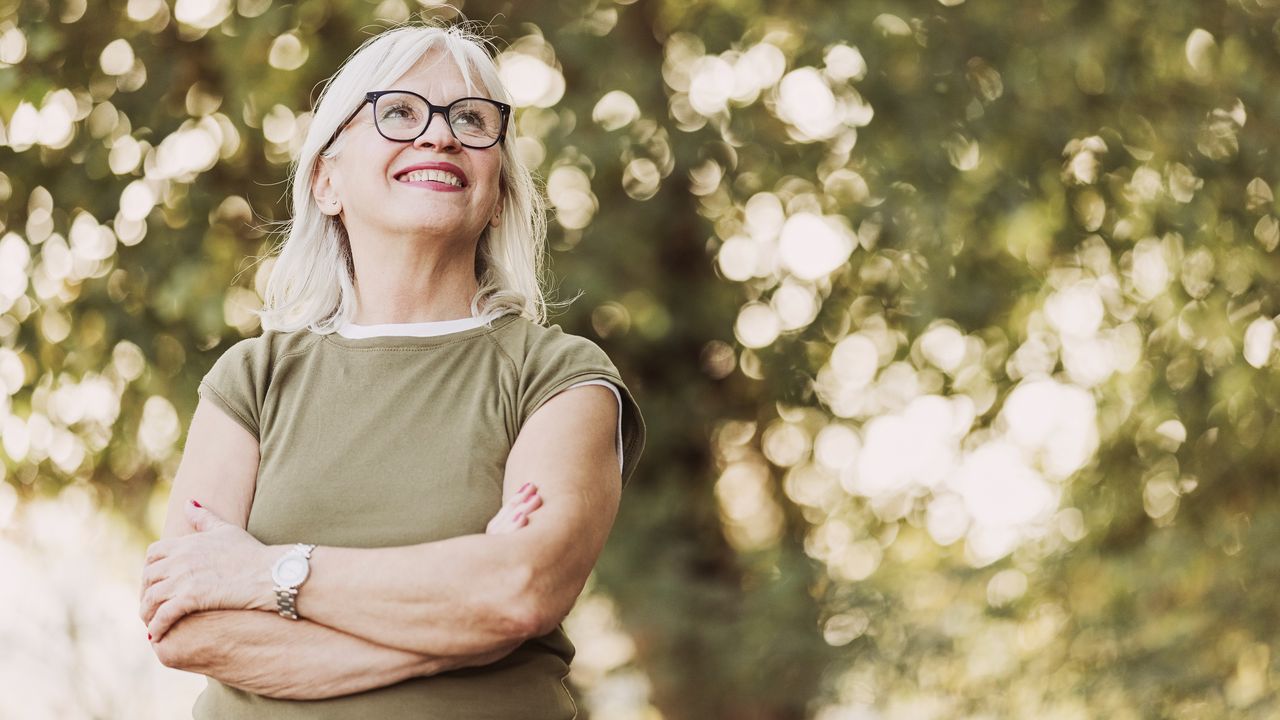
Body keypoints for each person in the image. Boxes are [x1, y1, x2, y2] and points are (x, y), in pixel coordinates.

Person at [136, 21, 646, 719]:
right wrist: (458, 626)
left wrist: (267, 572)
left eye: (471, 120)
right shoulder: (251, 378)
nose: (439, 136)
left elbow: (519, 590)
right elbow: (185, 624)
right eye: (399, 111)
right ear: (327, 179)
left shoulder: (559, 376)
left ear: (498, 194)